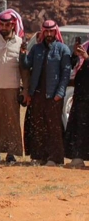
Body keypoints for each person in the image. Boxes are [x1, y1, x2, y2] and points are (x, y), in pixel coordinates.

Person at [23, 20, 72, 166]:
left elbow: (66, 74)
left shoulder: (63, 49)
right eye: (47, 32)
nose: (49, 34)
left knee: (54, 128)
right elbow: (26, 64)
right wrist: (22, 54)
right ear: (43, 32)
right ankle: (38, 157)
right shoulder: (37, 49)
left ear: (55, 32)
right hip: (37, 94)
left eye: (52, 32)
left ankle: (54, 158)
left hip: (54, 95)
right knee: (38, 126)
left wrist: (61, 92)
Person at [0, 10, 25, 162]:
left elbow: (24, 70)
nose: (4, 27)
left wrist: (24, 89)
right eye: (1, 24)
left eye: (7, 25)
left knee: (12, 121)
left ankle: (11, 152)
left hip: (12, 88)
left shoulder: (20, 43)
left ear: (13, 25)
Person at [66, 38, 89, 165]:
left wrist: (87, 57)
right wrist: (75, 54)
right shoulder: (86, 45)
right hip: (81, 95)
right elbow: (72, 64)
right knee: (79, 126)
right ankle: (78, 157)